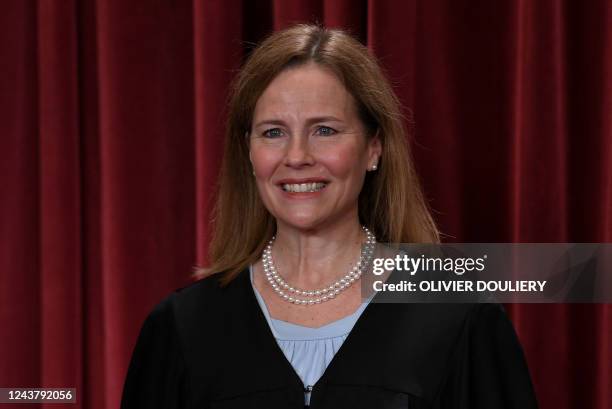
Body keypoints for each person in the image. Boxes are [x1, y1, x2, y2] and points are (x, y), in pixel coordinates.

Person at [121, 24, 538, 409]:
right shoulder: (183, 328)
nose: (297, 156)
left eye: (325, 130)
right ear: (248, 153)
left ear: (374, 148)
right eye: (273, 132)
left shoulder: (459, 314)